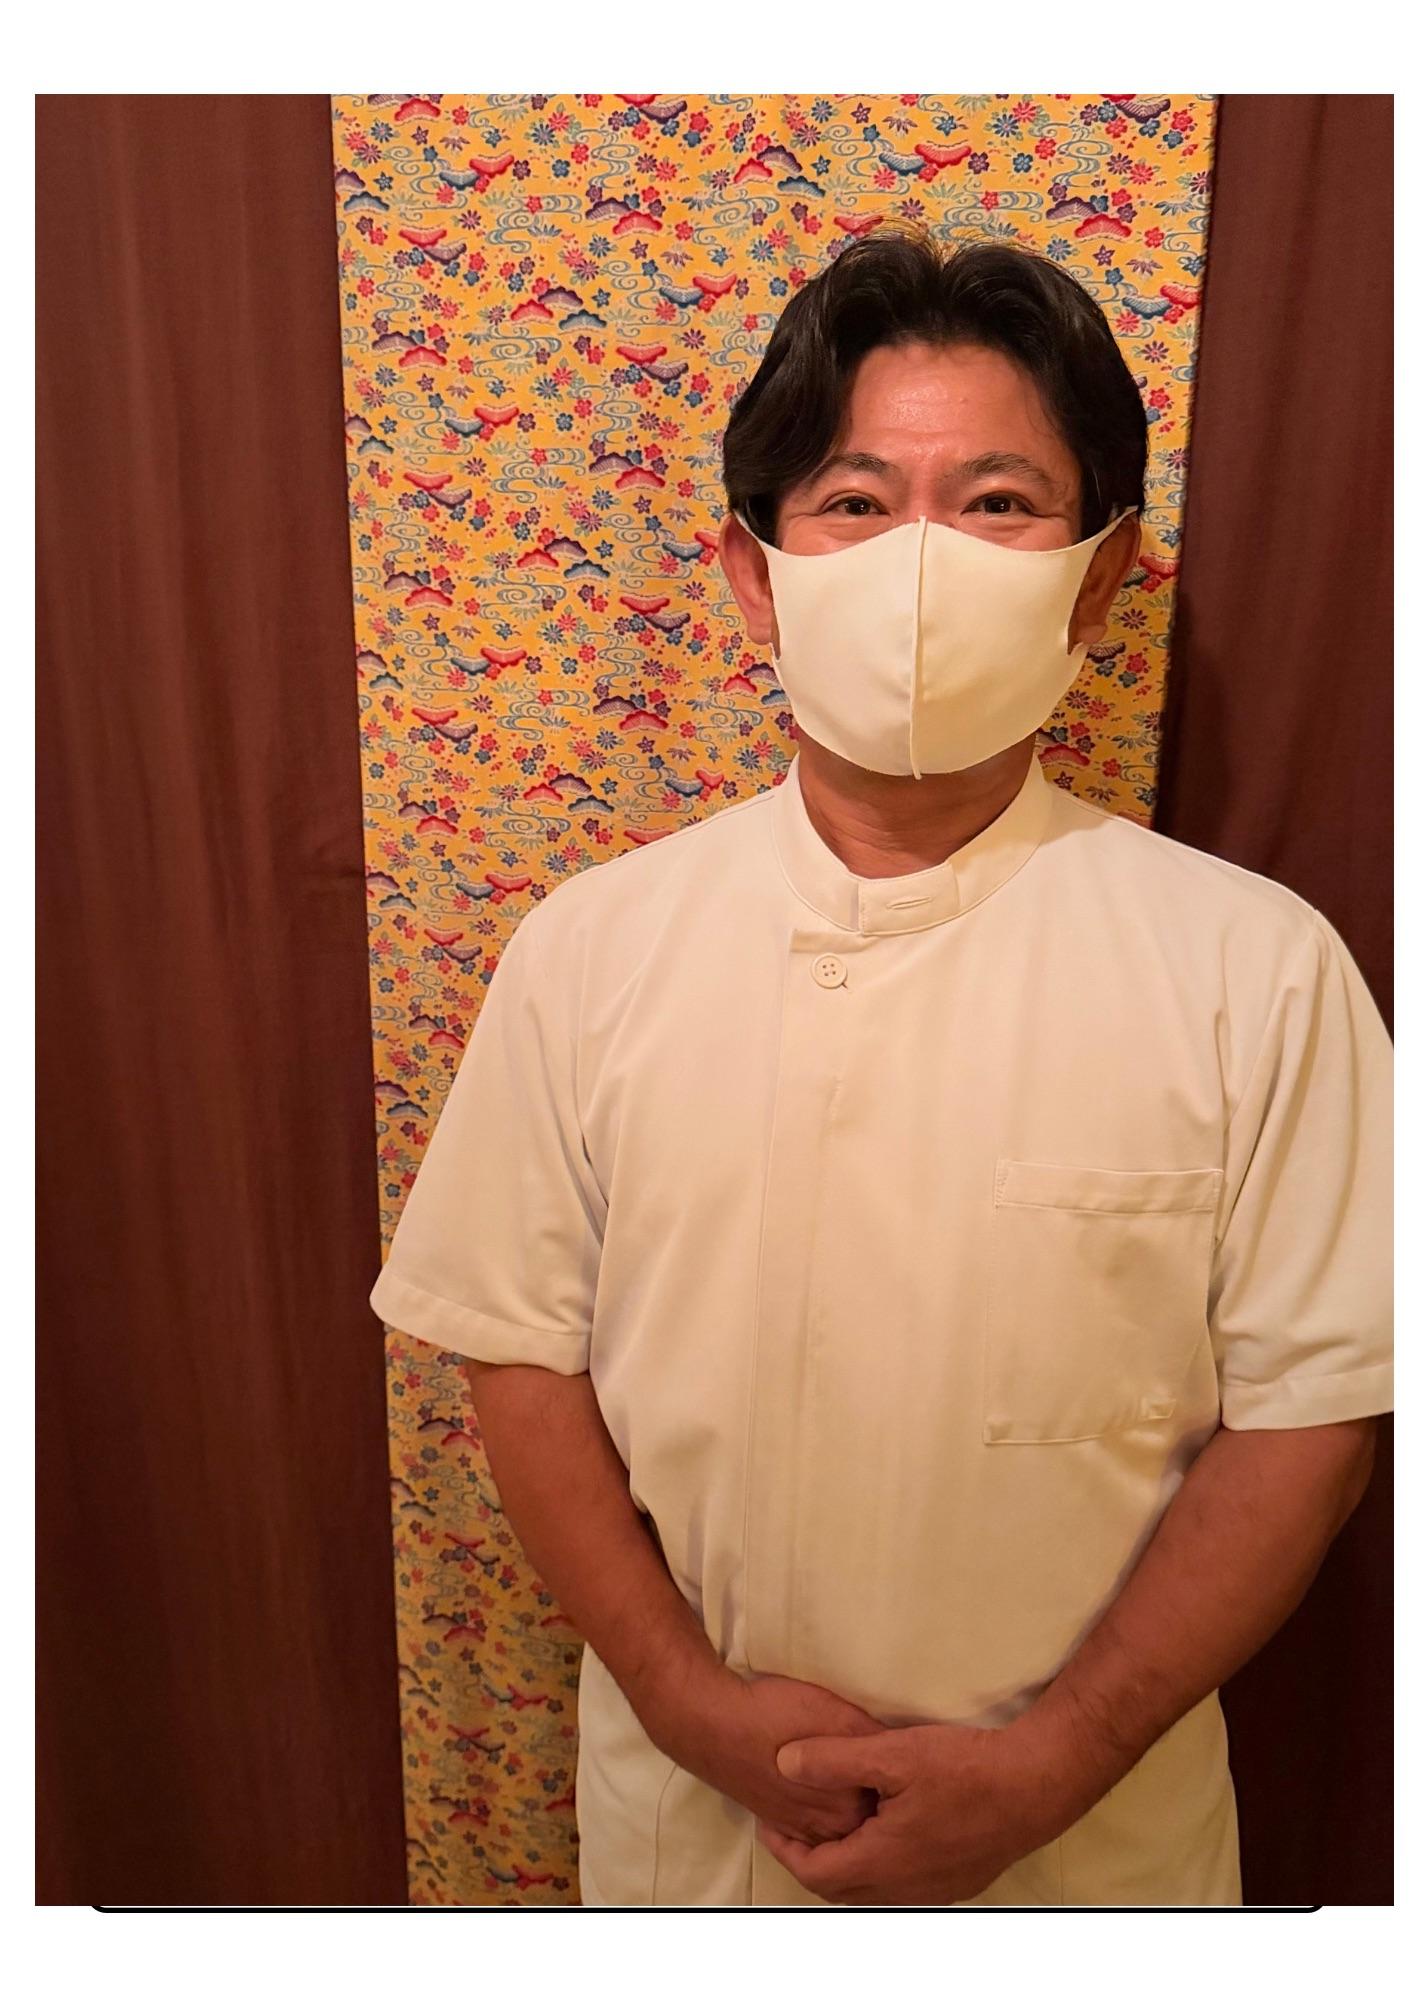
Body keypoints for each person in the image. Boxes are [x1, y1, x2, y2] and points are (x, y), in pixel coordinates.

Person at [368, 229, 1393, 1907]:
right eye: (855, 501)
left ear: (1102, 576)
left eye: (998, 503)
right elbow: (518, 1354)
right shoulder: (592, 948)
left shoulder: (1256, 968)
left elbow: (1314, 1417)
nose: (921, 563)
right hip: (699, 1844)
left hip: (1093, 1860)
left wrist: (1060, 1755)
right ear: (758, 571)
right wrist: (687, 1703)